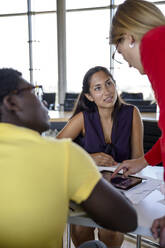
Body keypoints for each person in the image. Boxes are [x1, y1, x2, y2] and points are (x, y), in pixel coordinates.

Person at [0, 68, 137, 248]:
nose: (44, 102)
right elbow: (127, 219)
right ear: (12, 102)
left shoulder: (131, 113)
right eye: (34, 92)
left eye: (109, 83)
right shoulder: (62, 154)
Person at [56, 66, 144, 248]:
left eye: (109, 83)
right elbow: (53, 150)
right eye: (98, 88)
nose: (106, 91)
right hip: (86, 187)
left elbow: (138, 159)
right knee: (81, 229)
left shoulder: (132, 113)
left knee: (110, 231)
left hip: (120, 188)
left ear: (114, 84)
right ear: (89, 96)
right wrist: (88, 157)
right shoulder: (83, 118)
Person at [109, 0, 165, 246]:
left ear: (129, 37)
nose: (129, 63)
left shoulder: (155, 42)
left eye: (121, 52)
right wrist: (143, 161)